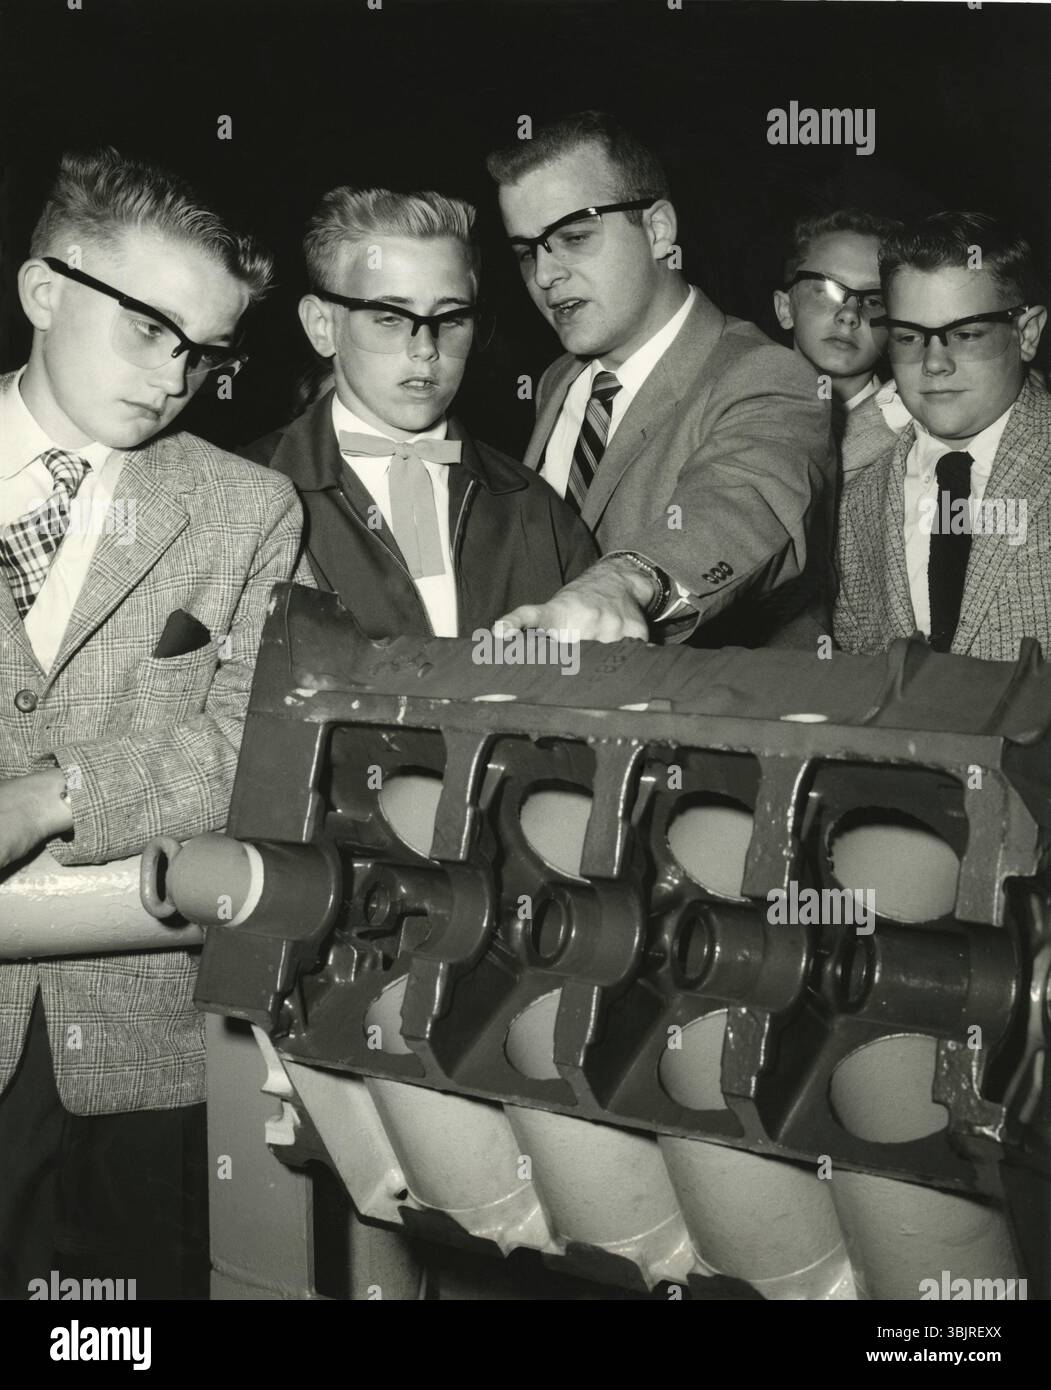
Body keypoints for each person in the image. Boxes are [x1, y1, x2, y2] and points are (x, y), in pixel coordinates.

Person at [0, 148, 304, 1298]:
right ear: (44, 291)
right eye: (147, 329)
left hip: (149, 1058)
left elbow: (246, 747)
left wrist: (48, 795)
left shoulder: (247, 507)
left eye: (205, 349)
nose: (175, 376)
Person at [486, 110, 835, 648]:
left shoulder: (768, 375)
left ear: (657, 230)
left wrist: (623, 581)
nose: (545, 275)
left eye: (574, 237)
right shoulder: (560, 381)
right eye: (526, 251)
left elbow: (742, 501)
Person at [243, 186, 596, 640]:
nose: (425, 349)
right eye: (389, 316)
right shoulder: (243, 495)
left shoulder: (536, 508)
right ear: (322, 326)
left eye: (451, 319)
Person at [834, 212, 1049, 659]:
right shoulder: (858, 503)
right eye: (910, 338)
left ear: (1026, 333)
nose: (934, 363)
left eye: (966, 334)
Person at [772, 208, 910, 479]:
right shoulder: (737, 410)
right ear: (785, 308)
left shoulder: (912, 437)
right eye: (828, 291)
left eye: (874, 301)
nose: (849, 314)